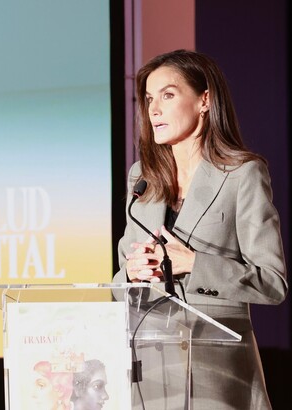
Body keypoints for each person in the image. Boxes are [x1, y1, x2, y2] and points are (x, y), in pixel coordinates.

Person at [113, 49, 288, 409]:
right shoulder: (141, 178)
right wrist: (130, 275)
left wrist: (195, 263)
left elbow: (273, 283)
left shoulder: (243, 174)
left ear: (204, 100)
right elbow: (118, 284)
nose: (154, 109)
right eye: (148, 99)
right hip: (152, 376)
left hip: (217, 376)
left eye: (168, 95)